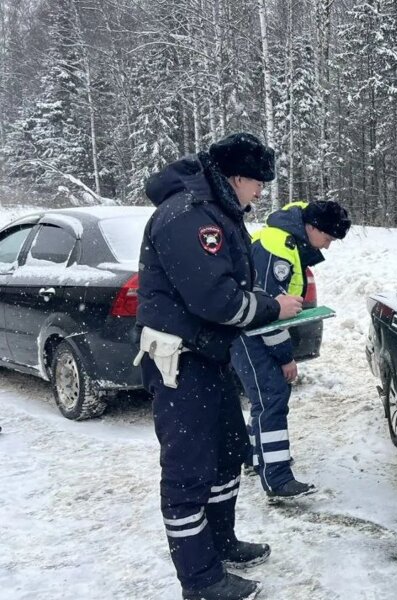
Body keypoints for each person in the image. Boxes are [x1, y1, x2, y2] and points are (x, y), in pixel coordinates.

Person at [137, 132, 304, 600]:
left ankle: (221, 543)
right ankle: (201, 581)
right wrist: (274, 308)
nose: (260, 194)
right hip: (180, 362)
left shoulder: (216, 211)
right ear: (236, 177)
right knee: (189, 472)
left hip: (209, 357)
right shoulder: (187, 216)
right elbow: (216, 299)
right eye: (257, 184)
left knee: (229, 453)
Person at [232, 200, 350, 499]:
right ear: (311, 227)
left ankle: (254, 456)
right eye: (327, 238)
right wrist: (286, 358)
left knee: (265, 397)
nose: (328, 246)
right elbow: (268, 314)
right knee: (271, 396)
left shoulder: (284, 240)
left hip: (248, 329)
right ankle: (277, 478)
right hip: (249, 333)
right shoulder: (278, 249)